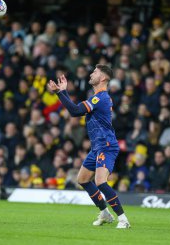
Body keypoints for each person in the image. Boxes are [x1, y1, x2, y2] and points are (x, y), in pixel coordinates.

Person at [47, 64, 130, 228]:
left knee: (100, 182)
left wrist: (60, 92)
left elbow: (75, 111)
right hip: (97, 147)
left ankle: (123, 219)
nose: (92, 74)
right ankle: (105, 213)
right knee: (83, 179)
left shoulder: (101, 98)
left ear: (103, 78)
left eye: (95, 72)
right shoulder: (97, 97)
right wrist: (62, 92)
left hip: (106, 145)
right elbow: (76, 110)